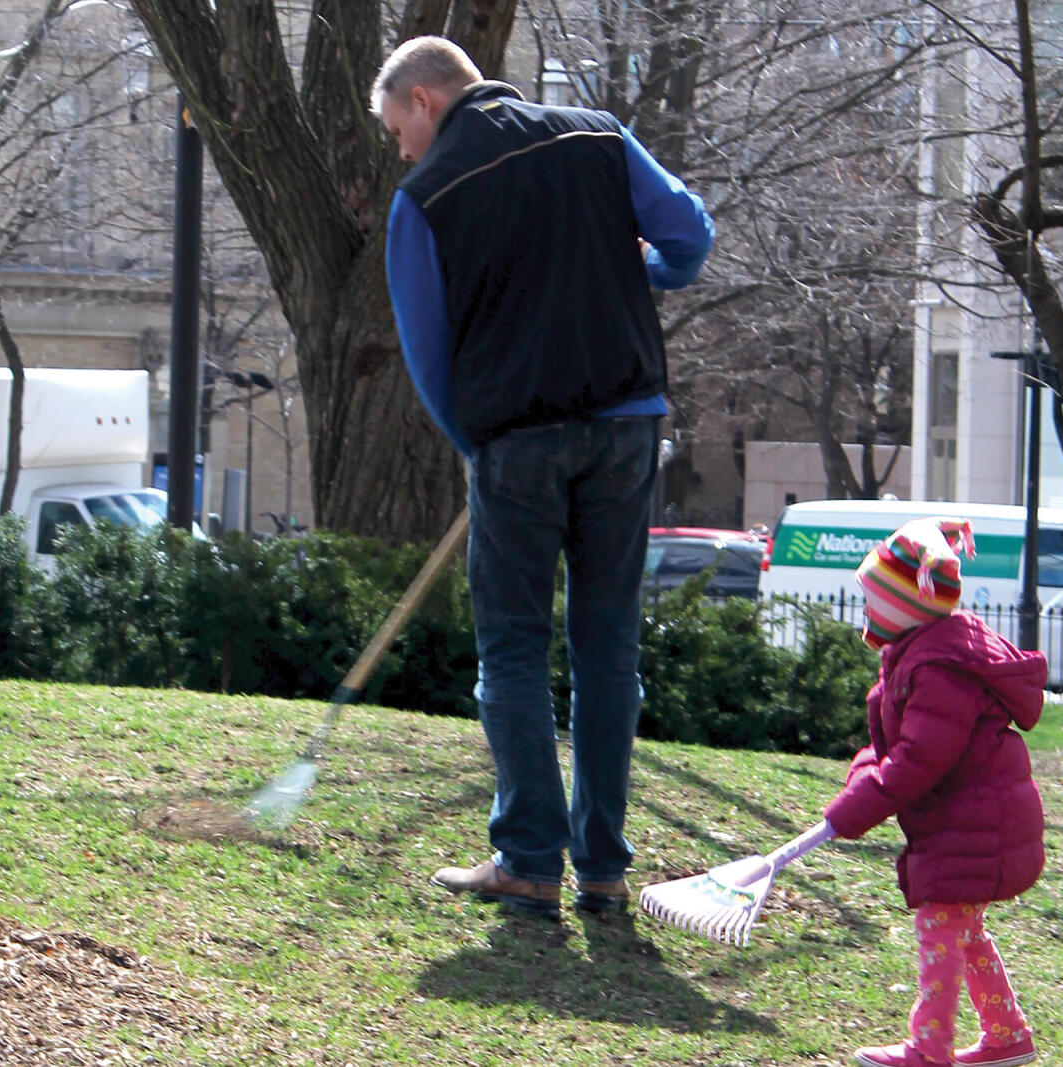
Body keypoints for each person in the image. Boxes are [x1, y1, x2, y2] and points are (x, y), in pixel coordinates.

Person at [371, 36, 714, 921]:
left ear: (423, 100)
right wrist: (649, 269)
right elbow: (690, 235)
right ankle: (601, 865)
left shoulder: (423, 198)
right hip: (628, 419)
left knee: (513, 648)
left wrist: (475, 443)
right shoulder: (597, 135)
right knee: (609, 645)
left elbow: (429, 356)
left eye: (396, 129)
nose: (401, 150)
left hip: (515, 434)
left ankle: (529, 857)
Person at [825, 518, 1046, 1067]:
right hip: (965, 823)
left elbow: (921, 758)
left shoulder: (939, 666)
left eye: (875, 600)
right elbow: (896, 745)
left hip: (973, 825)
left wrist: (859, 807)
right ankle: (1006, 1034)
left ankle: (929, 1049)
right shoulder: (920, 652)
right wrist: (863, 778)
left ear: (907, 608)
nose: (867, 613)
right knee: (963, 930)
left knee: (940, 931)